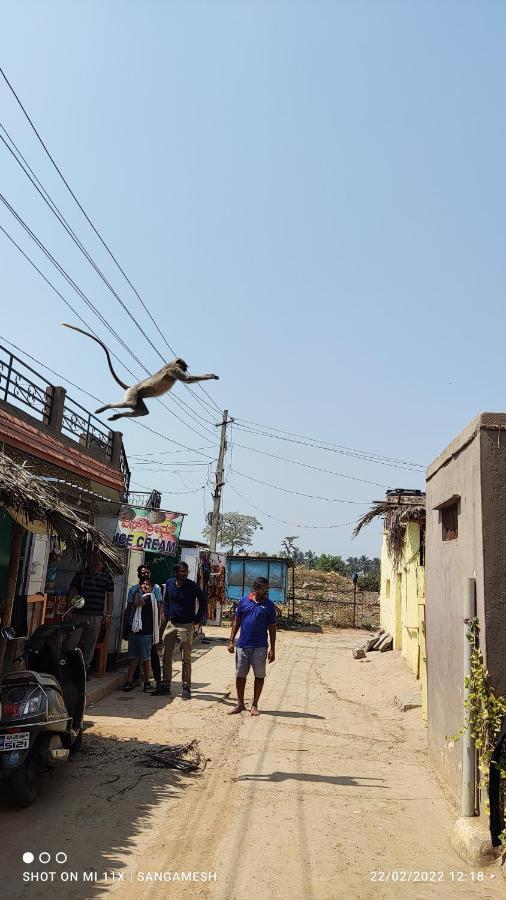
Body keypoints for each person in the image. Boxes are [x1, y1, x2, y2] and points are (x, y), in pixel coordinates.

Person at [152, 561, 206, 699]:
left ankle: (186, 687)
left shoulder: (192, 586)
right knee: (166, 655)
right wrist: (168, 613)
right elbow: (166, 600)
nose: (184, 573)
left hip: (186, 625)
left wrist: (197, 618)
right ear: (176, 572)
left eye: (186, 571)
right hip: (171, 624)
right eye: (182, 571)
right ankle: (166, 685)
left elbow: (203, 600)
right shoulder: (169, 583)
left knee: (185, 658)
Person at [227, 576, 276, 716]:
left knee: (259, 675)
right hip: (242, 645)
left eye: (268, 589)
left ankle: (254, 705)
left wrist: (273, 648)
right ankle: (240, 704)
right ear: (256, 589)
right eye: (264, 589)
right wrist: (231, 640)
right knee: (240, 675)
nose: (266, 591)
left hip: (260, 646)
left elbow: (272, 628)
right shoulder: (243, 602)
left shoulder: (269, 605)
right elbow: (236, 622)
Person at [67, 560, 114, 678]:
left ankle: (84, 669)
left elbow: (110, 596)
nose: (99, 562)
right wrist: (69, 609)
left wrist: (108, 615)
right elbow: (72, 591)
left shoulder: (107, 576)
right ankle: (67, 667)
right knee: (72, 641)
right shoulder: (81, 573)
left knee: (90, 643)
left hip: (96, 615)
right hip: (79, 613)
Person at [127, 564, 163, 689]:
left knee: (151, 656)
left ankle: (156, 680)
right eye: (142, 573)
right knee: (134, 656)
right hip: (135, 627)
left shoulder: (154, 590)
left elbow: (158, 607)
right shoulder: (133, 589)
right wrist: (126, 625)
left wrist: (157, 625)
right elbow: (129, 608)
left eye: (147, 572)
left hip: (149, 629)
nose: (145, 575)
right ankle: (135, 680)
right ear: (138, 574)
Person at [122, 578, 159, 692]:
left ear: (151, 588)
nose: (145, 586)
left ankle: (147, 683)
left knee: (145, 659)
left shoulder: (148, 597)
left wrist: (136, 595)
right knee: (133, 658)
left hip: (145, 633)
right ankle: (129, 681)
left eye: (147, 584)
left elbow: (136, 603)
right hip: (135, 631)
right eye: (143, 584)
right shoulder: (145, 596)